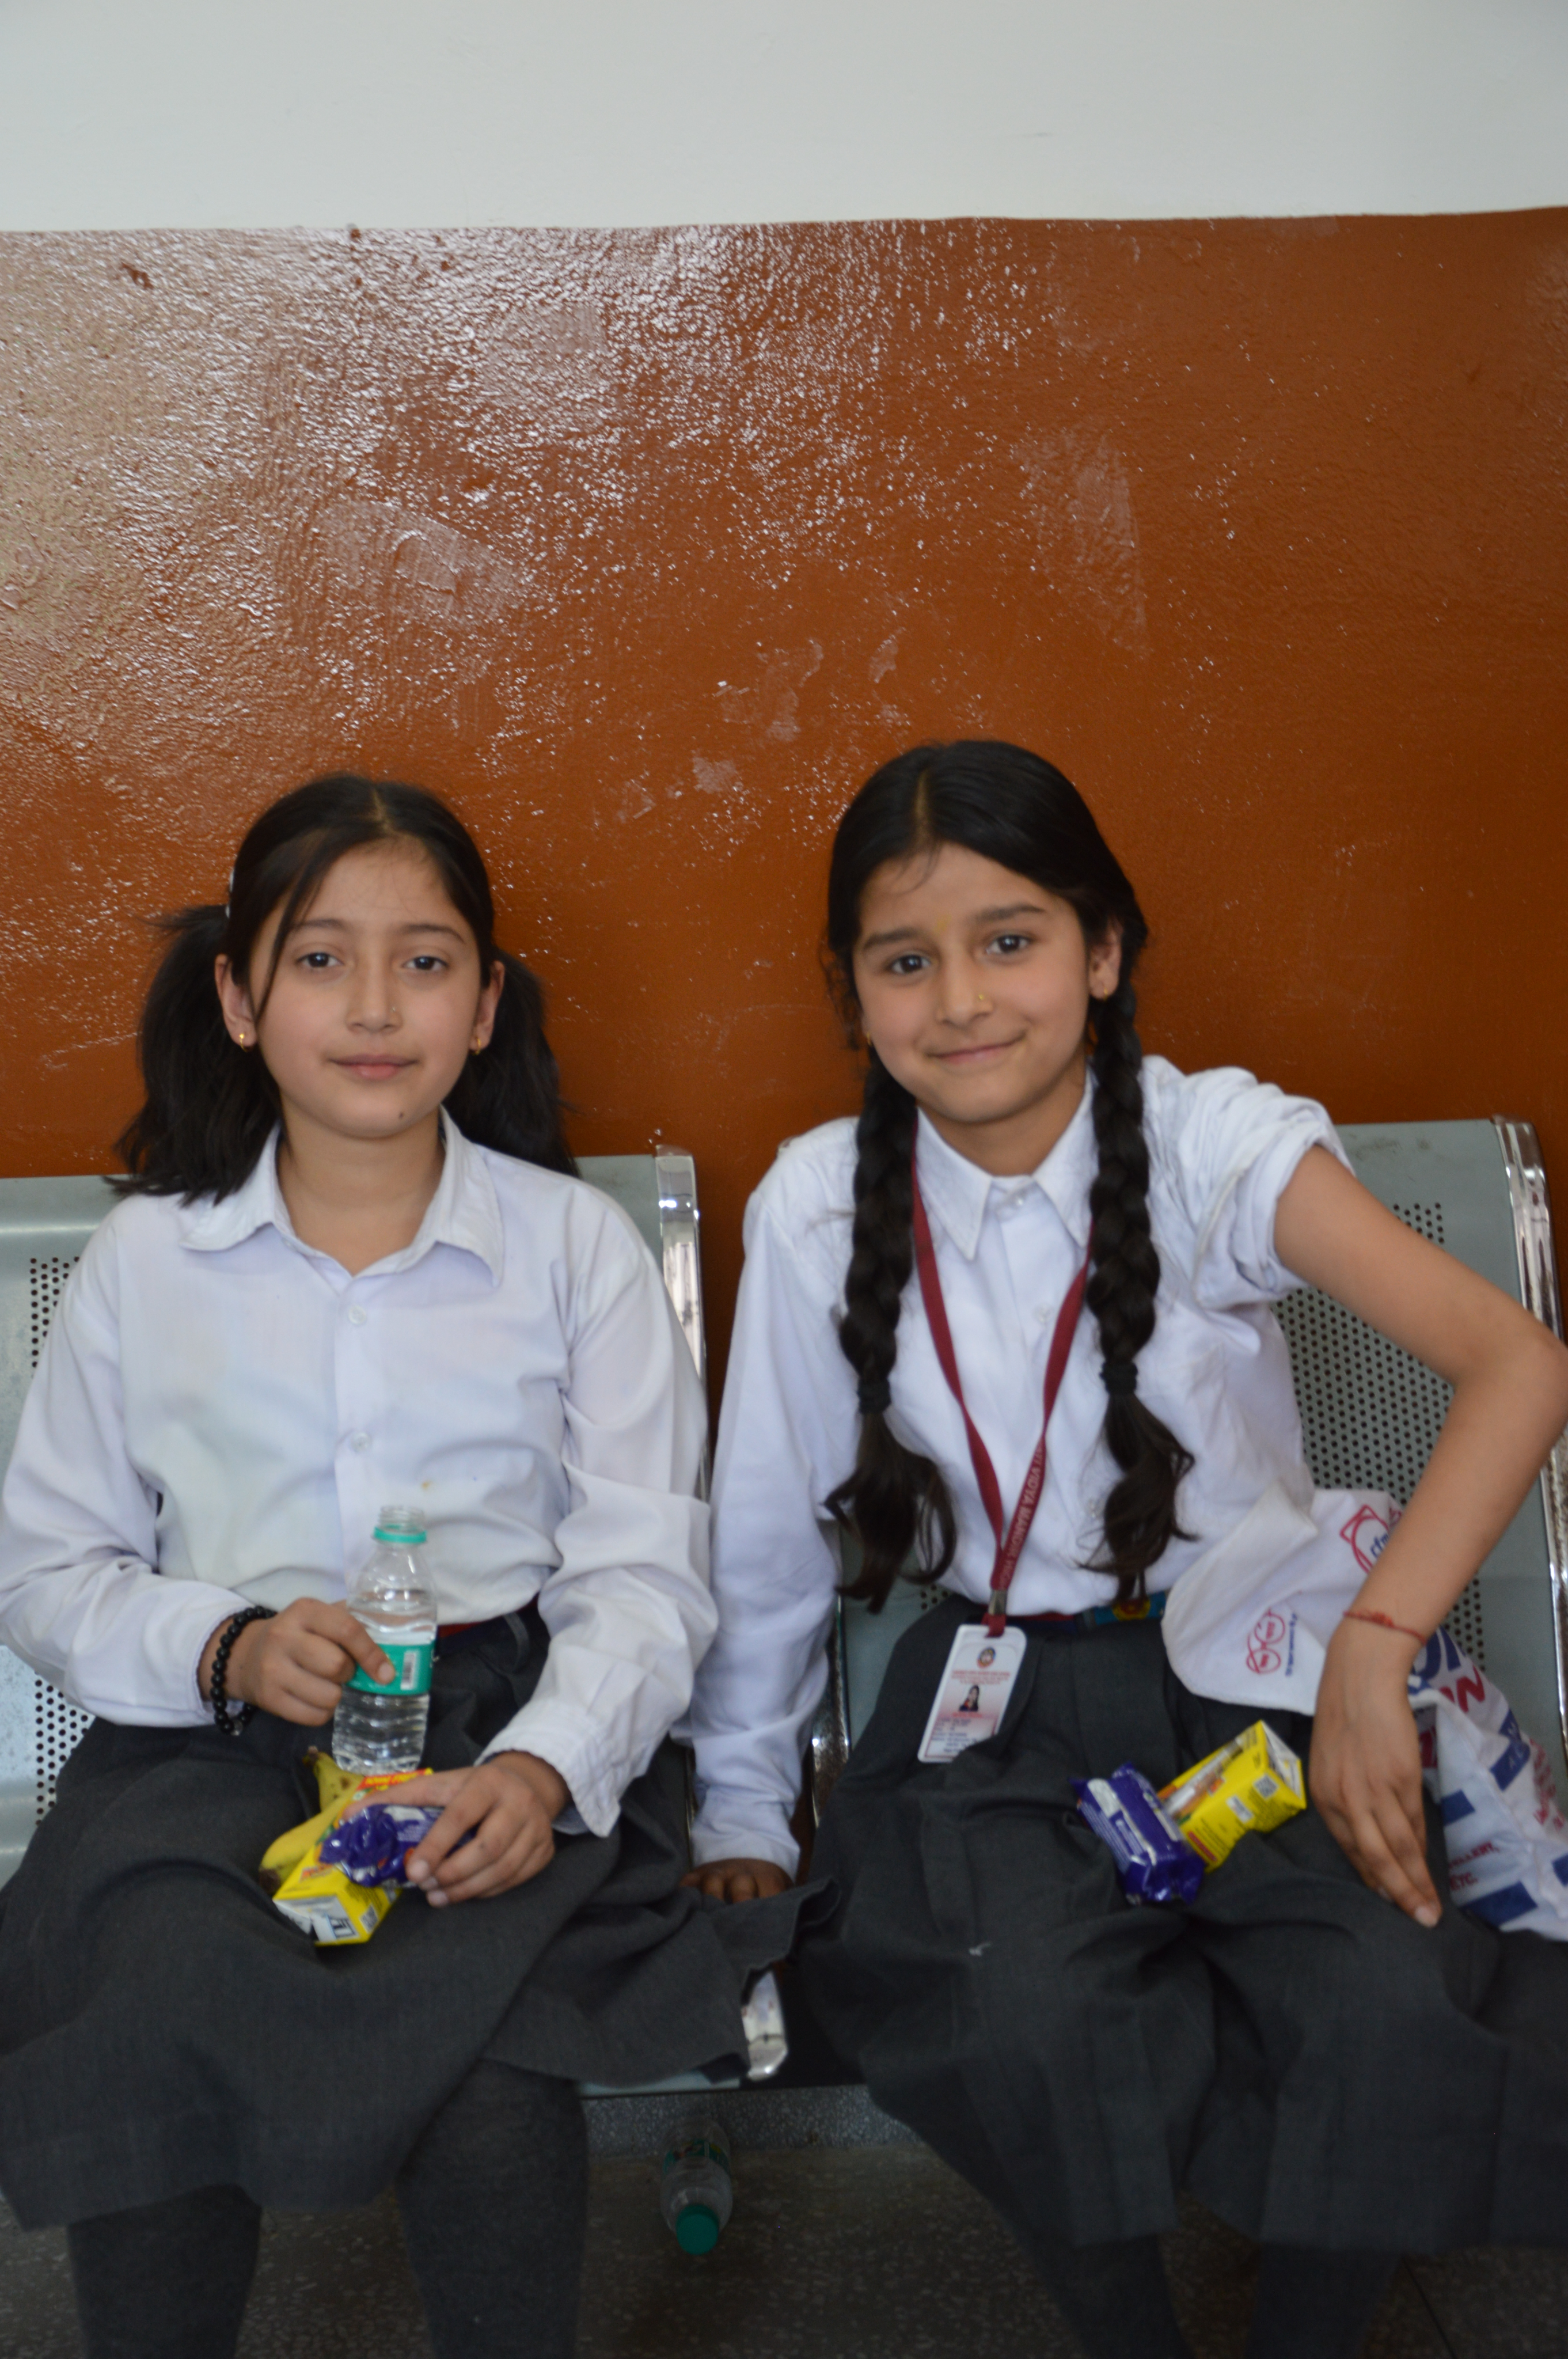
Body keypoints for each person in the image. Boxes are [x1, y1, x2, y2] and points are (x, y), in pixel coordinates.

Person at [685, 741, 1568, 2359]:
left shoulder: (1212, 1145)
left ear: (1100, 950)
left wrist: (1372, 1652)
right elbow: (765, 1537)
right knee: (1014, 2008)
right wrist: (743, 1799)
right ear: (855, 992)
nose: (959, 998)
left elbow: (1518, 1363)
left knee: (1380, 2000)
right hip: (995, 1694)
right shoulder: (820, 1204)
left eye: (1008, 939)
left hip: (1253, 1667)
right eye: (906, 959)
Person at [0, 775, 783, 2359]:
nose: (374, 1008)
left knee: (490, 2066)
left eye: (426, 962)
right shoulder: (151, 1261)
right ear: (236, 997)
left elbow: (645, 1576)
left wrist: (546, 1771)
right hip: (206, 1743)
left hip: (496, 1726)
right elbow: (48, 1570)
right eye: (317, 960)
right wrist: (221, 1644)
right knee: (144, 2004)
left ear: (487, 1005)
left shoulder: (573, 1252)